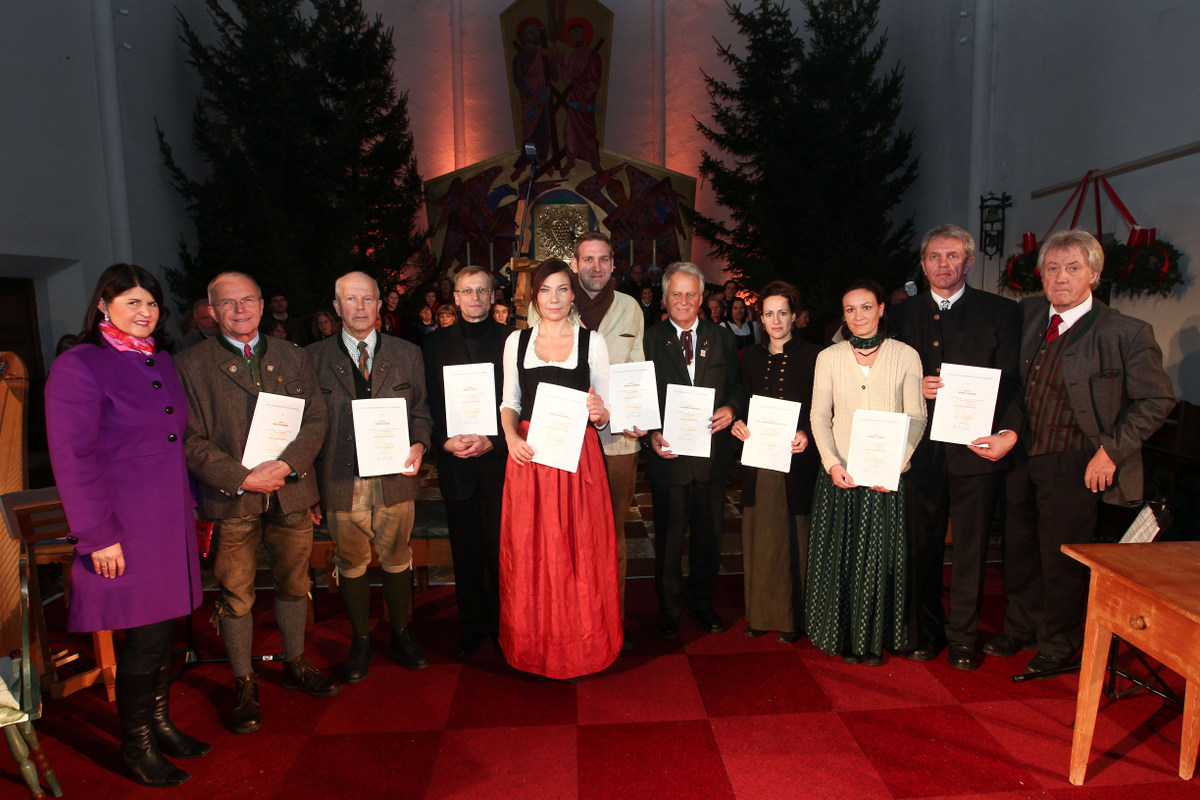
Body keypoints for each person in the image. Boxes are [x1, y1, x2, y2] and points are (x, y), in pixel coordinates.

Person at [45, 264, 206, 787]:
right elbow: (72, 457)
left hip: (169, 520)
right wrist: (96, 535)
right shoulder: (80, 365)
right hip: (123, 527)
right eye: (132, 302)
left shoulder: (157, 360)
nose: (144, 313)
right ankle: (135, 744)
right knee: (144, 640)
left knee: (161, 634)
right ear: (102, 307)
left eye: (152, 304)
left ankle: (159, 723)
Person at [991, 230, 1175, 677]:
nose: (1060, 278)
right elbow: (1016, 383)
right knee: (1018, 548)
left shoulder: (1126, 332)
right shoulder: (1029, 312)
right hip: (1021, 455)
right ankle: (1021, 625)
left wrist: (1111, 452)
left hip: (1078, 462)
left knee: (1061, 558)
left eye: (1073, 268)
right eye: (1052, 268)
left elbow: (1156, 401)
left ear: (1093, 274)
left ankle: (1058, 643)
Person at [174, 272, 338, 736]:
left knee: (293, 581)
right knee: (236, 593)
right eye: (228, 304)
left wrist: (285, 467)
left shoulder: (294, 356)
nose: (240, 310)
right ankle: (244, 681)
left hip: (290, 489)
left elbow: (316, 419)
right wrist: (243, 477)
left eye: (248, 300)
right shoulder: (189, 365)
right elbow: (189, 440)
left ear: (263, 306)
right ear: (212, 311)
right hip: (231, 497)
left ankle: (295, 662)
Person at [887, 225, 1022, 670]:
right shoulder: (900, 316)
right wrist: (912, 384)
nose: (942, 265)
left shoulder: (1000, 311)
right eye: (934, 257)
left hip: (976, 452)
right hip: (919, 453)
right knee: (921, 547)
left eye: (952, 257)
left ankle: (963, 637)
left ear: (968, 263)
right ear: (922, 264)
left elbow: (1015, 385)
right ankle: (926, 630)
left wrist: (1009, 433)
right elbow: (883, 376)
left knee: (970, 549)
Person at [498, 259, 622, 678]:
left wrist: (601, 412)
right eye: (546, 290)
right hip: (531, 460)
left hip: (578, 462)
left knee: (578, 551)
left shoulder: (594, 342)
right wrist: (512, 438)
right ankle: (533, 646)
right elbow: (510, 402)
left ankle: (583, 646)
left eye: (563, 290)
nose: (554, 298)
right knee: (532, 551)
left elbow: (604, 413)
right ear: (535, 295)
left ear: (573, 295)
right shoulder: (517, 341)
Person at [308, 271, 433, 680]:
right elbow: (305, 427)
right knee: (351, 560)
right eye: (351, 300)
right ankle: (361, 639)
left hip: (395, 477)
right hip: (342, 480)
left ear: (380, 305)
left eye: (367, 299)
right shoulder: (312, 359)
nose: (360, 307)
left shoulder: (408, 352)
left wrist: (420, 444)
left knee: (398, 555)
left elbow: (420, 413)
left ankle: (400, 632)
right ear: (337, 307)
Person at [527, 232, 646, 638]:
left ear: (614, 264)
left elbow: (637, 370)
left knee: (611, 535)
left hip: (617, 441)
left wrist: (642, 416)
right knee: (564, 535)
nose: (596, 267)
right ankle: (569, 621)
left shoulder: (631, 308)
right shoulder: (552, 306)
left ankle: (609, 619)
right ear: (575, 264)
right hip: (561, 445)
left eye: (604, 259)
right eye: (587, 259)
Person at [807, 279, 925, 666]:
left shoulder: (905, 355)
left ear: (881, 309)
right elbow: (819, 417)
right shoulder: (830, 357)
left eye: (866, 307)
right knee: (841, 558)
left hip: (884, 480)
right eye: (850, 309)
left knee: (879, 561)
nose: (858, 316)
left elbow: (917, 418)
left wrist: (895, 463)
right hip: (841, 476)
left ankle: (872, 640)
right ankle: (839, 635)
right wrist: (832, 463)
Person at [645, 262, 747, 639]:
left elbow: (738, 388)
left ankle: (702, 603)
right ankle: (669, 609)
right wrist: (650, 434)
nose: (684, 301)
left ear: (703, 299)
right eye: (676, 294)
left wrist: (732, 409)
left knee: (709, 539)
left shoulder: (721, 338)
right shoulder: (650, 338)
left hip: (711, 459)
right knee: (669, 542)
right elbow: (639, 398)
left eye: (691, 294)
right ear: (665, 298)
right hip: (668, 457)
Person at [423, 266, 509, 659]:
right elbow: (426, 405)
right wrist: (443, 440)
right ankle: (473, 625)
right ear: (454, 298)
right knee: (466, 552)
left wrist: (494, 440)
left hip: (499, 464)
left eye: (482, 290)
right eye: (466, 291)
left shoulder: (513, 341)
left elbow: (520, 403)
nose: (474, 297)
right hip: (456, 464)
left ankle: (505, 625)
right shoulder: (432, 345)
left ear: (493, 297)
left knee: (502, 552)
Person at [731, 281, 819, 643]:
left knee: (795, 538)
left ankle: (791, 619)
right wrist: (736, 419)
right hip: (759, 460)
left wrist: (808, 434)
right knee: (760, 536)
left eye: (783, 312)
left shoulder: (816, 355)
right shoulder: (749, 356)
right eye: (769, 314)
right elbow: (741, 396)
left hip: (797, 461)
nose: (776, 320)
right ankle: (760, 614)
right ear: (761, 319)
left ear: (795, 316)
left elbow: (823, 405)